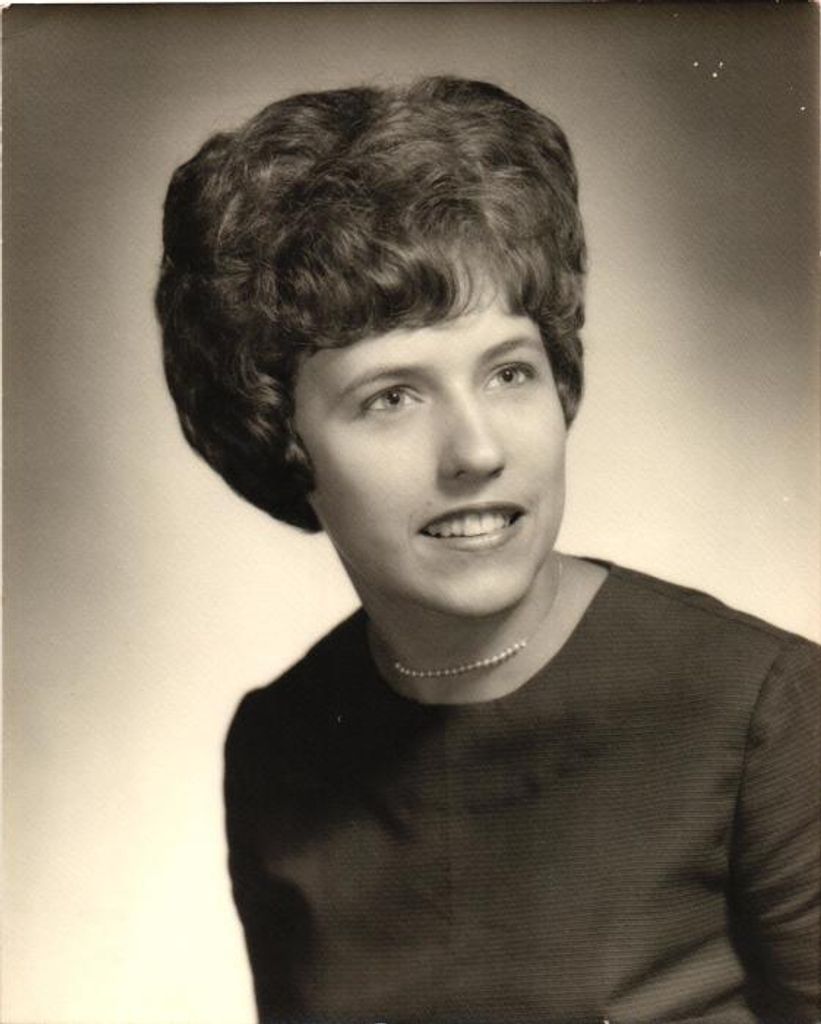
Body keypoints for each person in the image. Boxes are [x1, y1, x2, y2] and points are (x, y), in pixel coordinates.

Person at [155, 77, 819, 1023]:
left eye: (508, 372)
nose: (476, 452)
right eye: (391, 397)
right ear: (280, 439)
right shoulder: (278, 745)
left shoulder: (765, 712)